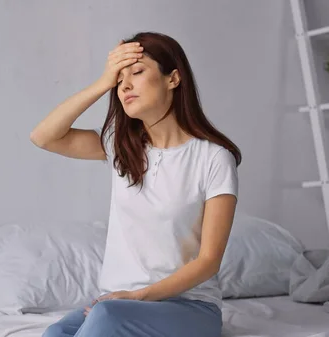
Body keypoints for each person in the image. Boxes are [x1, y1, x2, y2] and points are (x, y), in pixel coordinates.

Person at [30, 31, 241, 337]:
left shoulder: (213, 159)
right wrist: (104, 81)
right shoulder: (122, 149)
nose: (125, 85)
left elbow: (209, 261)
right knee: (55, 334)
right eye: (120, 80)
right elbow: (43, 137)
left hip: (188, 308)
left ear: (173, 79)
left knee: (105, 317)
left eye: (138, 72)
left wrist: (137, 297)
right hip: (119, 306)